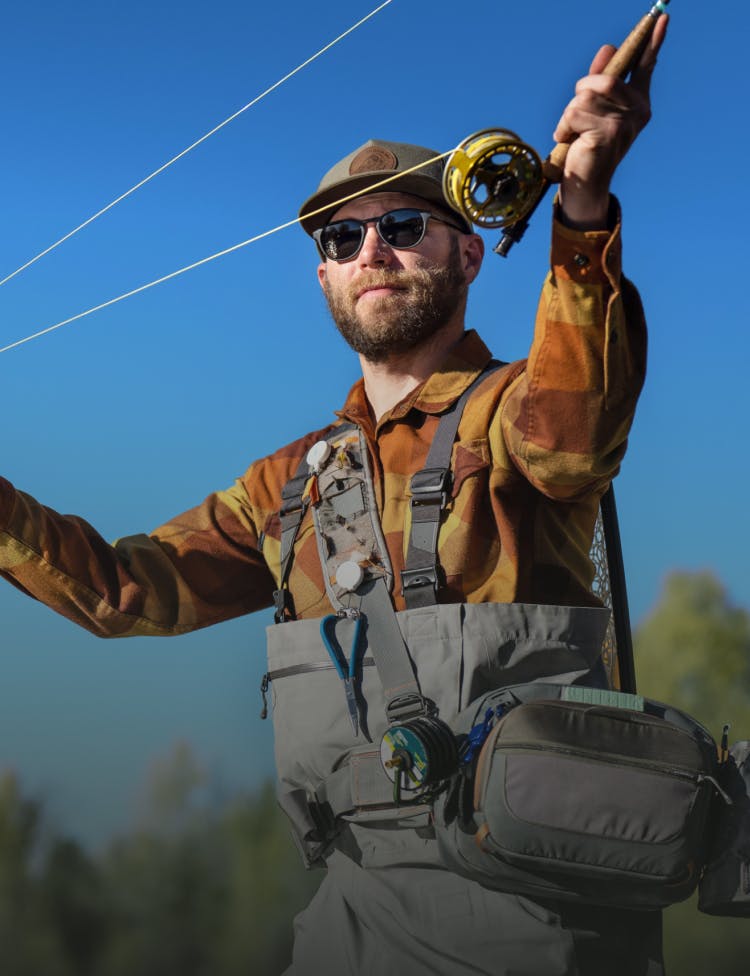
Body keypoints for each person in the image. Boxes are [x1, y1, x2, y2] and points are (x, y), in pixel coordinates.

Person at [0, 19, 668, 976]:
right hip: (353, 909)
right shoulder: (291, 482)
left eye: (403, 227)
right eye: (344, 236)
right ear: (321, 275)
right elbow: (125, 591)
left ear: (470, 255)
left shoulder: (509, 414)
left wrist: (584, 207)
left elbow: (570, 445)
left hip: (535, 917)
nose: (373, 252)